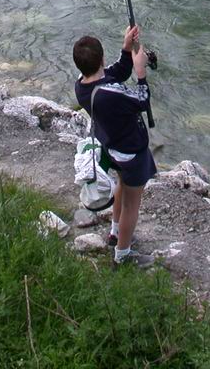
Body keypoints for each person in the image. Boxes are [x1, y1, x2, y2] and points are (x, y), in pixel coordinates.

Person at [73, 25, 155, 268]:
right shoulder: (111, 94)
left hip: (113, 148)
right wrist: (141, 72)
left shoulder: (83, 85)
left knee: (122, 186)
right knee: (132, 206)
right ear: (101, 59)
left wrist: (126, 49)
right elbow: (142, 100)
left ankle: (115, 231)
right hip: (131, 153)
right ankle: (123, 254)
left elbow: (116, 73)